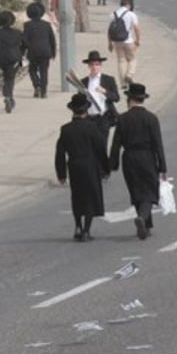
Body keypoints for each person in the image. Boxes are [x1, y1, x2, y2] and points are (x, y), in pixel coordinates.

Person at [109, 83, 166, 240]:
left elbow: (116, 144)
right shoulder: (151, 118)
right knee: (149, 193)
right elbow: (157, 144)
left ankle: (146, 226)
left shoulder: (122, 119)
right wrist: (162, 167)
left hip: (129, 157)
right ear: (143, 99)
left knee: (136, 192)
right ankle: (142, 219)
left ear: (129, 99)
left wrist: (112, 164)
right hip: (147, 156)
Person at [54, 93, 110, 242]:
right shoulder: (92, 128)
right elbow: (100, 149)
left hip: (74, 165)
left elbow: (60, 152)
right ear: (86, 110)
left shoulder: (65, 129)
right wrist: (106, 168)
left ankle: (77, 226)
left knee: (77, 197)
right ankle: (86, 230)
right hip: (90, 165)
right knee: (90, 197)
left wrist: (61, 173)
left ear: (72, 110)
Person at [0, 10, 26, 114]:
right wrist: (20, 53)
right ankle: (8, 96)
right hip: (14, 58)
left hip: (1, 58)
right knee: (10, 79)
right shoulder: (18, 32)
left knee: (6, 78)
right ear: (12, 21)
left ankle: (8, 96)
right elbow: (25, 44)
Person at [80, 50, 121, 141]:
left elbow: (116, 98)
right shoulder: (84, 82)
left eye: (97, 64)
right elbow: (80, 102)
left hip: (103, 118)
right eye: (92, 64)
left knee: (102, 145)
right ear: (89, 66)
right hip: (89, 118)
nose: (94, 67)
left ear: (100, 65)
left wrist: (105, 91)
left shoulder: (108, 79)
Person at [22, 2, 56, 99]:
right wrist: (53, 52)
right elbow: (52, 39)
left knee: (32, 69)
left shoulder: (27, 25)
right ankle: (44, 91)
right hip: (46, 51)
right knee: (44, 71)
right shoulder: (47, 25)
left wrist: (25, 49)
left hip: (33, 51)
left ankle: (37, 86)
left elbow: (24, 39)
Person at [108, 0, 141, 85]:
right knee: (132, 59)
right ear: (128, 5)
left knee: (121, 61)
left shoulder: (113, 14)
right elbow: (137, 29)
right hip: (128, 41)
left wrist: (109, 43)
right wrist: (138, 40)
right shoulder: (131, 14)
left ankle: (123, 83)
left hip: (117, 41)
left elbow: (109, 30)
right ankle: (129, 75)